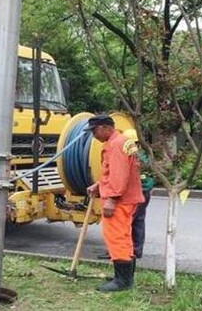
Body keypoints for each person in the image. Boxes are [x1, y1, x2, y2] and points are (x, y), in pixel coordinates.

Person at [86, 115, 144, 292]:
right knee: (124, 236)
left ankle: (122, 281)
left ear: (105, 127)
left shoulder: (116, 145)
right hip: (126, 198)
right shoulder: (121, 141)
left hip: (119, 201)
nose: (93, 135)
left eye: (94, 130)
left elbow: (120, 176)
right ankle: (124, 277)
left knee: (117, 237)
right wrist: (99, 185)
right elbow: (118, 172)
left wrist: (111, 199)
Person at [98, 128, 154, 261]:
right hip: (144, 192)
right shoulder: (142, 154)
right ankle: (136, 251)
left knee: (122, 226)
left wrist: (112, 197)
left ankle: (121, 254)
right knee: (138, 222)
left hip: (131, 193)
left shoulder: (126, 152)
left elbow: (121, 176)